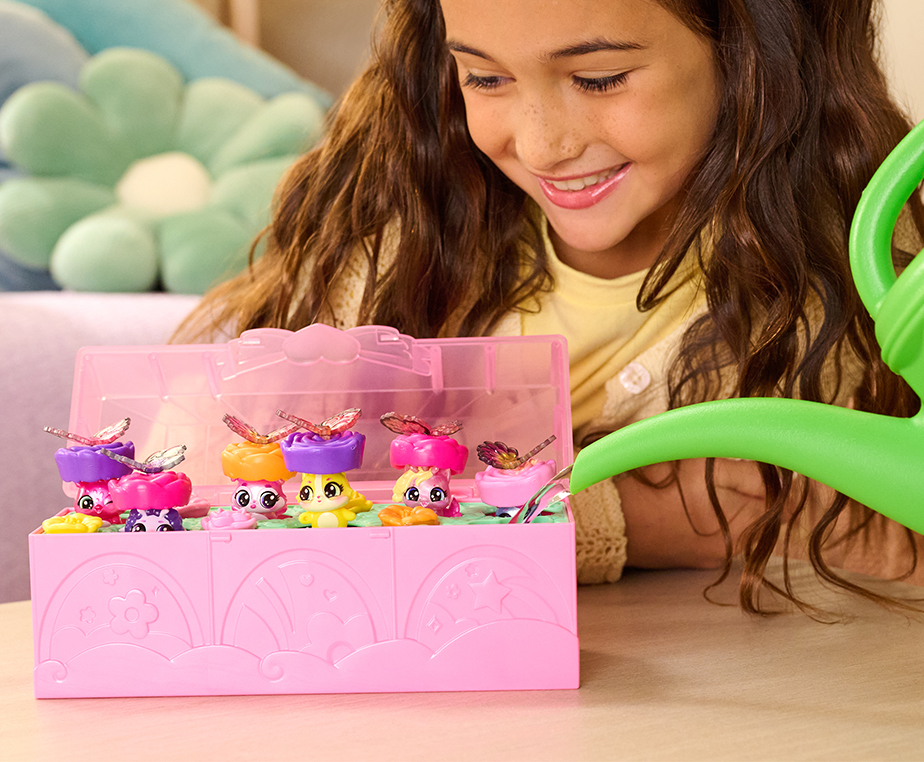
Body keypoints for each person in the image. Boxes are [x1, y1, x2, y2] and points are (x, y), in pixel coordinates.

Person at [176, 0, 924, 613]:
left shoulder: (858, 271)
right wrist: (633, 518)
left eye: (598, 79)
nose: (540, 146)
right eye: (484, 78)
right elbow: (195, 488)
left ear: (754, 51)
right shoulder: (404, 232)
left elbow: (889, 535)